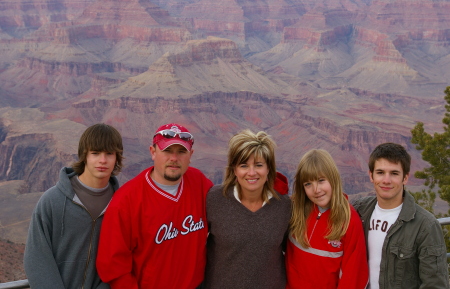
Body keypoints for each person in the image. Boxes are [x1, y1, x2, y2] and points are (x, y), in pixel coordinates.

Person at [96, 123, 213, 289]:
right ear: (153, 152)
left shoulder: (200, 183)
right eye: (167, 151)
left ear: (190, 155)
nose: (174, 158)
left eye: (181, 152)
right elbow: (112, 265)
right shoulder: (126, 200)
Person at [24, 123, 124, 289]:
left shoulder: (122, 206)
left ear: (117, 158)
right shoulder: (52, 201)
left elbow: (122, 261)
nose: (103, 160)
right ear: (84, 155)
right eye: (95, 153)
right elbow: (36, 257)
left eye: (109, 154)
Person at [353, 142, 449, 289]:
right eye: (380, 172)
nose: (386, 180)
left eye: (394, 173)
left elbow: (435, 285)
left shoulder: (425, 226)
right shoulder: (359, 211)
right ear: (371, 176)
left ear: (405, 178)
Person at [204, 130, 291, 289]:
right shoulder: (214, 199)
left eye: (258, 165)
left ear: (268, 169)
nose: (252, 173)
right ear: (234, 170)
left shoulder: (284, 206)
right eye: (244, 165)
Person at [286, 149, 368, 289]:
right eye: (308, 184)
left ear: (333, 178)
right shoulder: (296, 209)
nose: (316, 189)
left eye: (321, 180)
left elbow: (354, 276)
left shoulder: (349, 220)